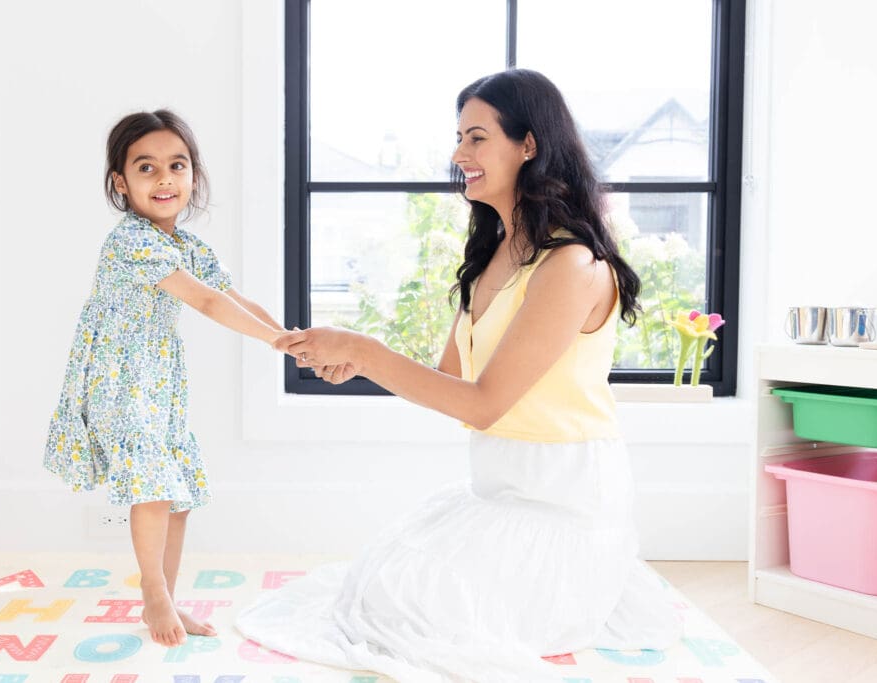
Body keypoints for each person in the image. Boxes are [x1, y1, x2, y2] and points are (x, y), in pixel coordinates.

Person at [236, 69, 682, 682]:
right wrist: (353, 361)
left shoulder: (571, 264)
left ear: (528, 144)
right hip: (499, 487)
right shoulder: (492, 256)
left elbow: (483, 404)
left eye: (476, 138)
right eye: (459, 138)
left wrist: (366, 351)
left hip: (562, 501)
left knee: (416, 613)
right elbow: (450, 380)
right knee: (378, 590)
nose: (458, 155)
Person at [44, 110, 284, 648]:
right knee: (153, 488)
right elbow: (203, 301)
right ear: (120, 183)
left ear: (193, 175)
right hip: (117, 377)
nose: (164, 179)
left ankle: (168, 600)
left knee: (177, 494)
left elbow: (230, 295)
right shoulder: (133, 240)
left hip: (158, 380)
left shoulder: (189, 246)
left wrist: (288, 336)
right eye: (146, 168)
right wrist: (272, 342)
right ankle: (154, 595)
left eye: (176, 166)